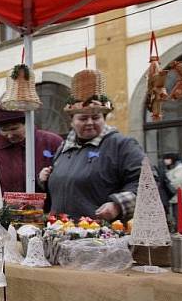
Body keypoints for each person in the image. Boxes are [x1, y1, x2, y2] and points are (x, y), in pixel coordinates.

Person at [40, 71, 144, 221]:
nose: (89, 122)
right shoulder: (63, 148)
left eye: (96, 117)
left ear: (104, 118)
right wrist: (45, 180)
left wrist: (117, 205)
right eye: (83, 118)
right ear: (71, 121)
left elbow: (145, 183)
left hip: (98, 236)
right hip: (60, 230)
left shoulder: (121, 145)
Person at [0, 102, 63, 205]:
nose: (9, 135)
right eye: (4, 130)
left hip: (44, 215)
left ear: (27, 123)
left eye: (14, 129)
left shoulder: (52, 143)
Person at [163, 152, 182, 222]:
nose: (165, 161)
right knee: (176, 217)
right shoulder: (169, 168)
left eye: (167, 159)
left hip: (181, 197)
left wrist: (167, 184)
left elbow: (176, 183)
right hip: (174, 198)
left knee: (180, 217)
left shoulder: (181, 168)